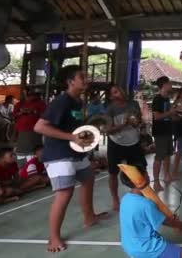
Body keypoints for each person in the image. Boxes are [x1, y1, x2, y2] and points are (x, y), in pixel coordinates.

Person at [33, 65, 107, 252]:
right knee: (65, 192)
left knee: (88, 179)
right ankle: (53, 238)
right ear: (70, 81)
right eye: (82, 76)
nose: (86, 79)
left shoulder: (78, 103)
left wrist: (88, 134)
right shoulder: (62, 101)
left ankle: (89, 217)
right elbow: (40, 127)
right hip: (59, 154)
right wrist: (72, 137)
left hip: (76, 152)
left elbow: (74, 129)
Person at [119, 165, 182, 258]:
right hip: (144, 248)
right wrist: (178, 224)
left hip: (128, 245)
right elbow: (164, 221)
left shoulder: (125, 199)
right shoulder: (146, 204)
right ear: (141, 177)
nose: (148, 174)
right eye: (146, 172)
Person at [105, 84, 146, 211]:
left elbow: (139, 120)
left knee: (140, 169)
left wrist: (139, 123)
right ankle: (115, 200)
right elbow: (108, 130)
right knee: (113, 173)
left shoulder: (133, 104)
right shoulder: (110, 109)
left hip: (133, 141)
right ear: (111, 97)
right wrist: (124, 124)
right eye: (115, 92)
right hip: (116, 143)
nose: (120, 93)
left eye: (120, 90)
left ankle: (141, 194)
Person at [152, 76, 178, 192]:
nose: (171, 85)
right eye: (169, 83)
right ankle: (156, 182)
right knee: (159, 156)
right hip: (160, 132)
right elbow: (157, 116)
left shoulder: (167, 99)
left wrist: (175, 113)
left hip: (168, 130)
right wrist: (170, 112)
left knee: (167, 154)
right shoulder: (157, 99)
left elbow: (168, 115)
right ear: (164, 85)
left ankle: (167, 175)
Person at [13, 88, 46, 159]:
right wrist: (21, 113)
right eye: (26, 94)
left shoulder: (41, 103)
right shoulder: (19, 104)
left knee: (34, 151)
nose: (27, 96)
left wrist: (34, 112)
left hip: (35, 130)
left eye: (30, 94)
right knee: (22, 151)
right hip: (22, 130)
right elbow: (14, 115)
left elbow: (45, 115)